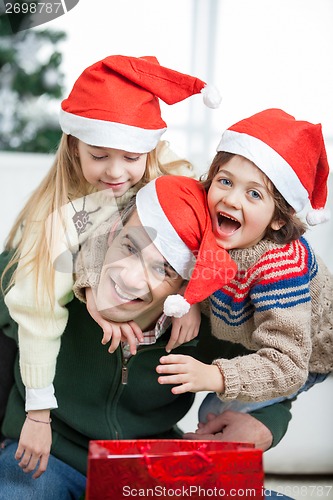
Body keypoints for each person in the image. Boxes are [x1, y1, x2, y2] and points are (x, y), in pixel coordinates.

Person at [0, 176, 292, 499]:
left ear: (185, 287)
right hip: (44, 453)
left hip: (145, 469)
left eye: (161, 270)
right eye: (129, 247)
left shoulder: (203, 327)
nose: (129, 276)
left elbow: (274, 369)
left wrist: (268, 424)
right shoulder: (56, 282)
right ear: (112, 232)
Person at [0, 54, 223, 478]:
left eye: (131, 156)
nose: (117, 172)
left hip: (133, 445)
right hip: (51, 410)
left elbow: (196, 239)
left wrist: (190, 295)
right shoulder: (64, 219)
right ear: (74, 147)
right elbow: (38, 309)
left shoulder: (165, 184)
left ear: (151, 149)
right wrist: (38, 412)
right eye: (99, 155)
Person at [155, 108, 333, 422]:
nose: (232, 200)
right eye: (225, 181)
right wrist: (189, 294)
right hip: (250, 331)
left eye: (254, 193)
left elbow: (288, 365)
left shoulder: (279, 268)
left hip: (305, 352)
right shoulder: (207, 210)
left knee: (214, 410)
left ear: (278, 218)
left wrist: (216, 376)